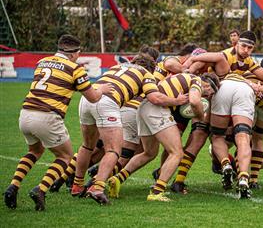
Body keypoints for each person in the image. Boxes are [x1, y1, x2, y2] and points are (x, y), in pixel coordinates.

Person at [3, 34, 112, 211]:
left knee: (34, 151)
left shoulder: (42, 61)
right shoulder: (75, 68)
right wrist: (102, 89)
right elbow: (92, 97)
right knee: (65, 156)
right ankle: (41, 189)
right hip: (47, 115)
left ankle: (13, 185)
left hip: (25, 114)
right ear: (75, 53)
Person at [108, 73, 218, 201]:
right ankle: (157, 191)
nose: (208, 96)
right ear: (209, 85)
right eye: (211, 92)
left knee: (149, 153)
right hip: (156, 109)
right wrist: (200, 116)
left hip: (143, 107)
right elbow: (195, 101)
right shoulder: (196, 80)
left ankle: (117, 178)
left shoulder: (184, 77)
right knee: (177, 153)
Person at [73, 54, 162, 205]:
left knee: (87, 146)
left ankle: (77, 185)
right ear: (151, 69)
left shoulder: (116, 67)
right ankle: (98, 187)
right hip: (107, 102)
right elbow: (154, 98)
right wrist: (178, 100)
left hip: (87, 98)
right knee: (113, 150)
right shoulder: (146, 74)